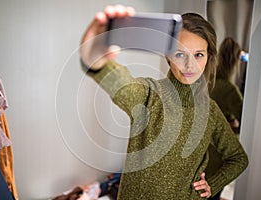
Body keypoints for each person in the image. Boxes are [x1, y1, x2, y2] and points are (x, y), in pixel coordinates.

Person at [80, 5, 248, 200]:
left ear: (208, 57)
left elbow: (238, 159)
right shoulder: (150, 95)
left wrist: (211, 184)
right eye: (180, 54)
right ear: (168, 56)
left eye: (198, 55)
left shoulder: (211, 111)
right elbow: (123, 85)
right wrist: (95, 57)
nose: (189, 65)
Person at [206, 37, 245, 200]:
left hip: (201, 150)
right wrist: (233, 125)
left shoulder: (208, 83)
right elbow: (245, 122)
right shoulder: (230, 90)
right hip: (217, 154)